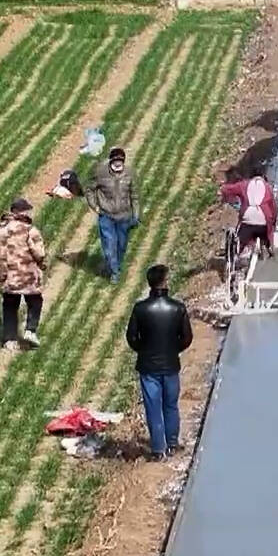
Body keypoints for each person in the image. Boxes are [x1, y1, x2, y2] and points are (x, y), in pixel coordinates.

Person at [126, 264, 192, 460]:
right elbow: (187, 338)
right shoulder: (178, 308)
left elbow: (131, 337)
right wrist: (173, 350)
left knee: (153, 407)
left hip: (148, 367)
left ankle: (158, 449)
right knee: (170, 405)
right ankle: (172, 443)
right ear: (165, 282)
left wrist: (144, 350)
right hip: (171, 365)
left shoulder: (140, 309)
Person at [0, 197, 47, 352]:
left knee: (10, 306)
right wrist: (42, 265)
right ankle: (30, 330)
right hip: (29, 277)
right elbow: (39, 253)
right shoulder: (29, 230)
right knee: (35, 301)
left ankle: (10, 339)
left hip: (8, 278)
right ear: (22, 212)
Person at [84, 146, 139, 283]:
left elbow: (135, 195)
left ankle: (117, 266)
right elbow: (89, 189)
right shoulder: (100, 172)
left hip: (124, 217)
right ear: (111, 162)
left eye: (120, 162)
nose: (118, 165)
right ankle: (114, 272)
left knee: (121, 246)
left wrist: (136, 215)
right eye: (115, 162)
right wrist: (94, 206)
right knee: (109, 246)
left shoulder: (130, 174)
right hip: (106, 216)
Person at [219, 172, 277, 260]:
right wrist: (272, 225)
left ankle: (241, 249)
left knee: (242, 238)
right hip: (264, 223)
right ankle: (267, 245)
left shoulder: (244, 185)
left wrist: (222, 190)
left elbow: (227, 189)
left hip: (247, 222)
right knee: (266, 232)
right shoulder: (268, 187)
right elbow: (274, 209)